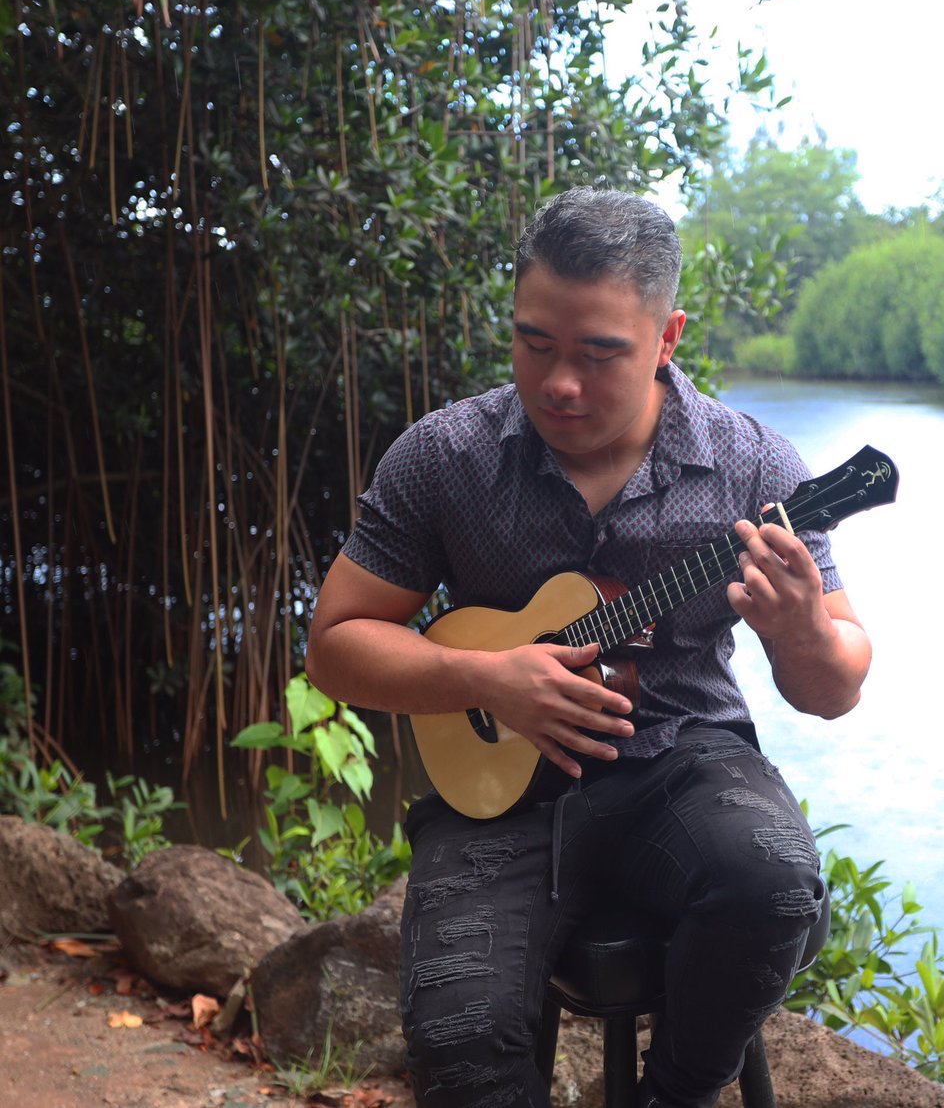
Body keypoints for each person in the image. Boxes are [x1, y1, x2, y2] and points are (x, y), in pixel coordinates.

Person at [305, 186, 872, 1108]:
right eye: (534, 344)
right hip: (498, 793)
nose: (559, 383)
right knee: (459, 1035)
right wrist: (489, 679)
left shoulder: (752, 466)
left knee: (770, 883)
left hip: (685, 761)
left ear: (667, 338)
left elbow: (835, 686)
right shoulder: (444, 457)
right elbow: (333, 648)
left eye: (599, 354)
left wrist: (802, 627)